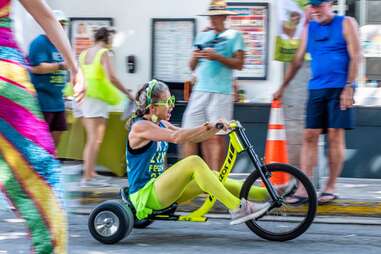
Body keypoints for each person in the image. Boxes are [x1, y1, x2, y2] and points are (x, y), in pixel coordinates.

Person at [0, 0, 85, 253]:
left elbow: (49, 19)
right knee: (43, 177)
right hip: (6, 76)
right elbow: (45, 16)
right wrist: (75, 68)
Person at [126, 79, 270, 225]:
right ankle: (237, 208)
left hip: (161, 189)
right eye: (167, 102)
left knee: (214, 175)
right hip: (146, 194)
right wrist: (209, 125)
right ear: (152, 108)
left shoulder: (161, 124)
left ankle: (268, 193)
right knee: (193, 162)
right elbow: (177, 137)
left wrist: (216, 127)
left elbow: (192, 136)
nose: (172, 105)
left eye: (172, 100)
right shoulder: (140, 127)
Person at [273, 0, 361, 204]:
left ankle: (330, 187)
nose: (315, 10)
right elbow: (297, 60)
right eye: (312, 6)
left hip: (340, 87)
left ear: (330, 4)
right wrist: (282, 87)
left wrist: (349, 86)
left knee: (334, 136)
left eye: (319, 5)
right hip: (316, 88)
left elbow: (357, 56)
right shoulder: (309, 27)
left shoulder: (346, 22)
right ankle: (304, 189)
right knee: (309, 135)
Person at [182, 0, 245, 171]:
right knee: (189, 133)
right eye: (211, 16)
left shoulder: (234, 35)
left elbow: (240, 63)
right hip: (200, 90)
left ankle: (216, 178)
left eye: (216, 16)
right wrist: (195, 56)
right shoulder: (202, 35)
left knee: (216, 136)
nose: (213, 20)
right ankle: (188, 177)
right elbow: (191, 66)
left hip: (221, 92)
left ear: (224, 17)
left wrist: (218, 57)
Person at [74, 27, 134, 187]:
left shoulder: (85, 53)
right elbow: (111, 77)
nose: (112, 42)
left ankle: (90, 172)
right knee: (95, 138)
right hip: (97, 97)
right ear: (106, 38)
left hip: (84, 96)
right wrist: (128, 94)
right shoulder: (103, 53)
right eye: (112, 39)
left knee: (92, 138)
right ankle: (87, 177)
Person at [28, 10, 70, 147]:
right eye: (59, 23)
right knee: (41, 143)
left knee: (56, 140)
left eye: (64, 24)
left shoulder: (61, 44)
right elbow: (36, 68)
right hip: (43, 101)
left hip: (58, 101)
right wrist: (60, 66)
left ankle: (51, 164)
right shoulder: (39, 42)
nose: (62, 27)